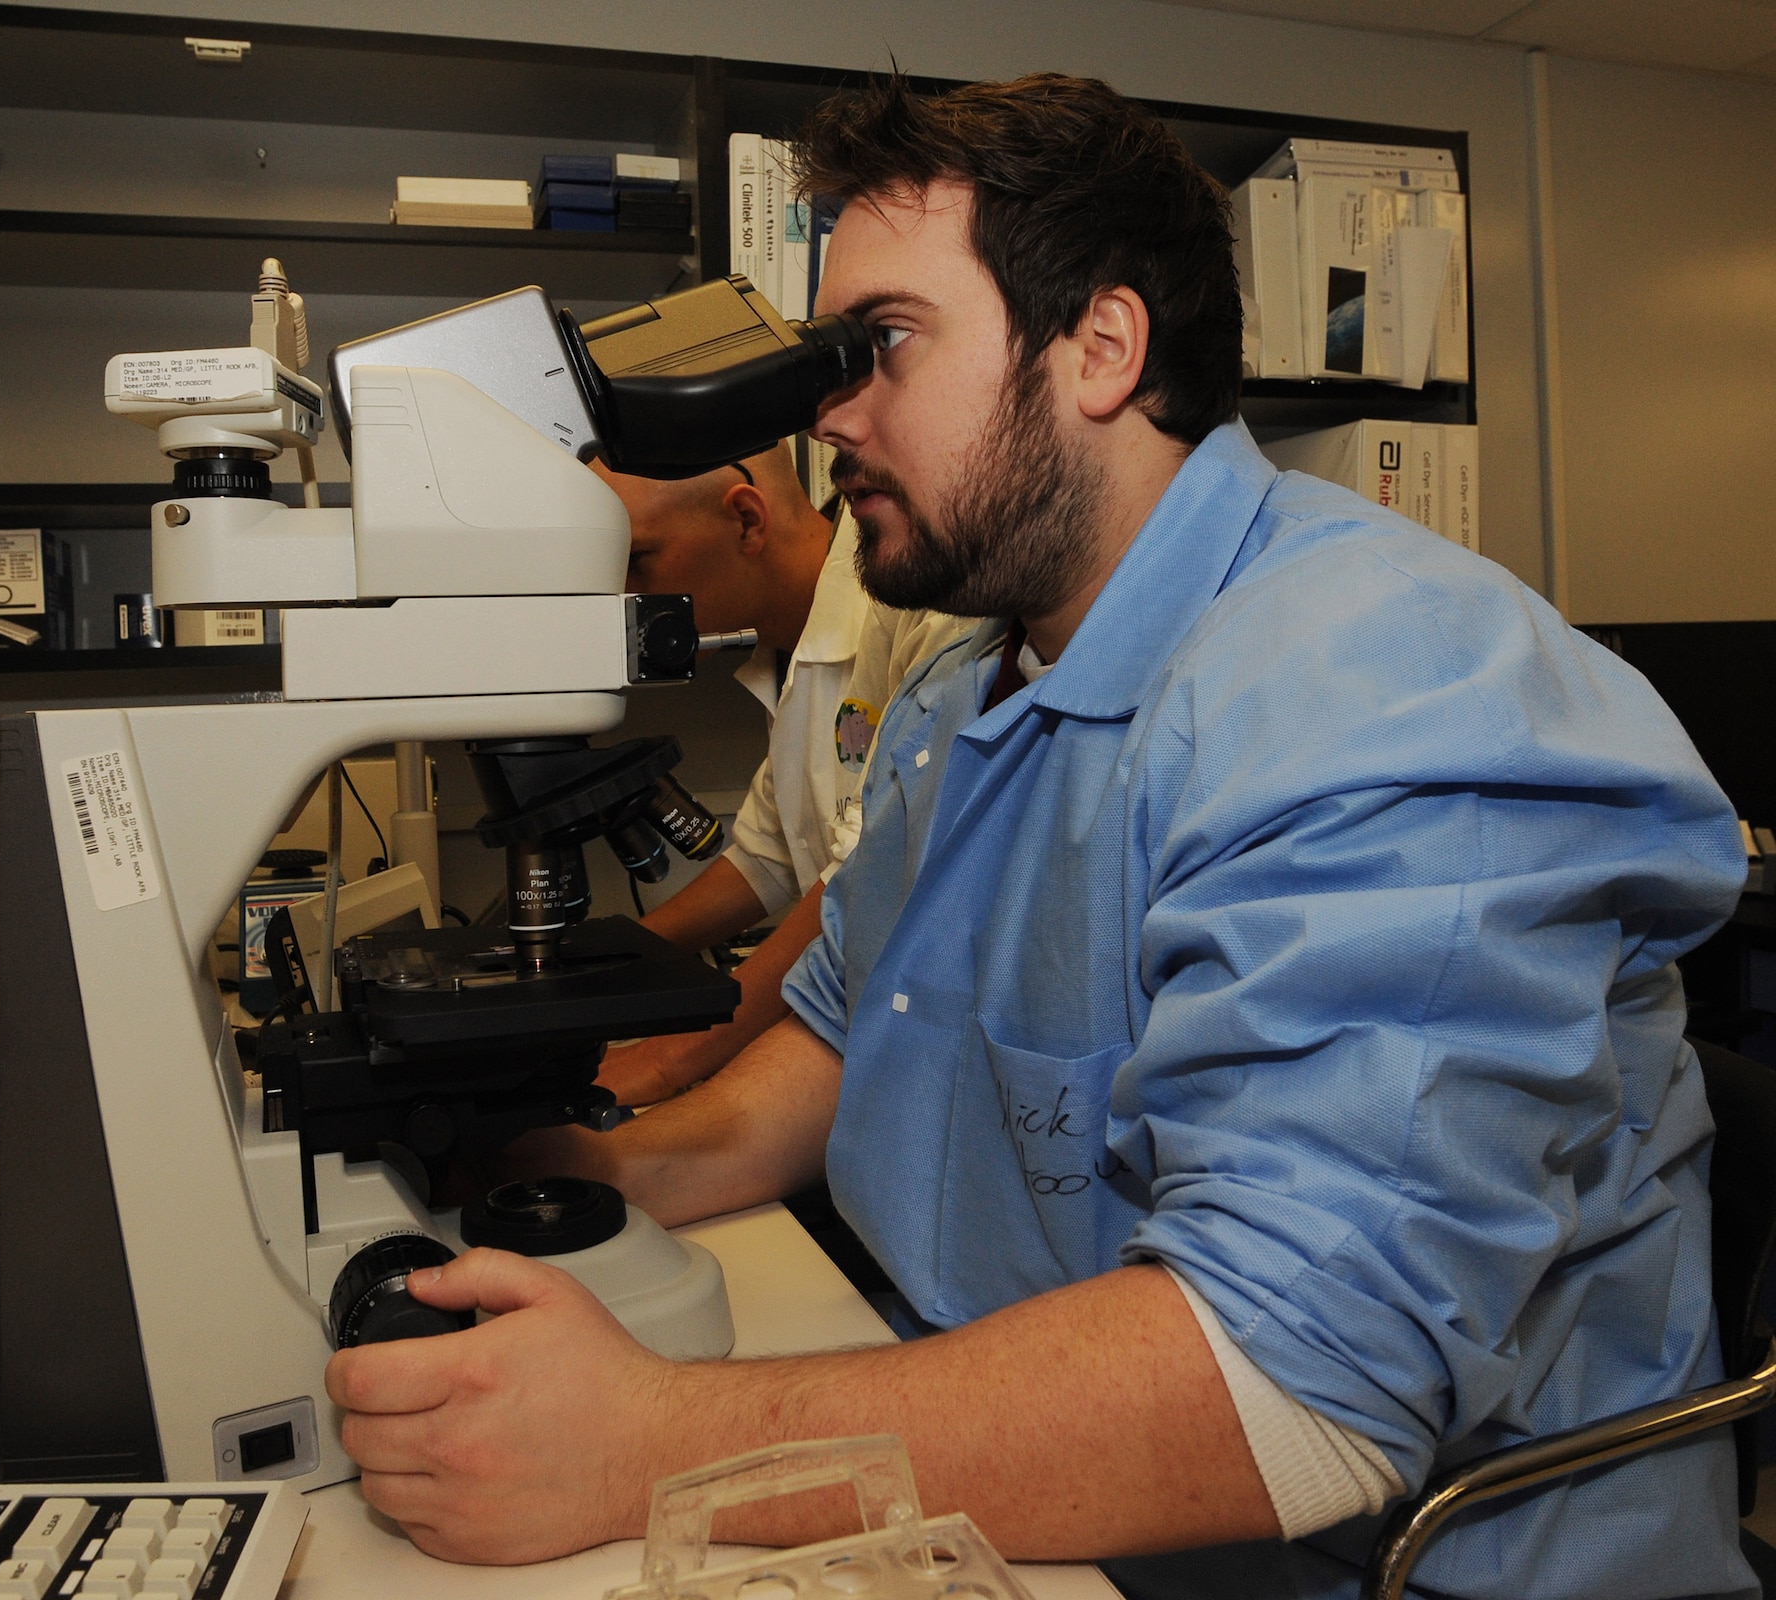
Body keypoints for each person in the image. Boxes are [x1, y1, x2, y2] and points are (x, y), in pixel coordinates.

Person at [325, 74, 1752, 1600]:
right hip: (1042, 1499)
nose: (826, 409)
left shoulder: (1385, 686)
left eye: (880, 344)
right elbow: (846, 1032)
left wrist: (644, 1441)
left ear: (1101, 347)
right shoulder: (971, 681)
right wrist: (578, 1178)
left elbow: (1296, 1390)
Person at [593, 444, 970, 1106]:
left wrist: (669, 1060)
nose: (626, 593)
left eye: (637, 560)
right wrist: (597, 970)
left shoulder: (920, 607)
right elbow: (766, 857)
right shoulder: (785, 651)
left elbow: (864, 872)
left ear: (746, 520)